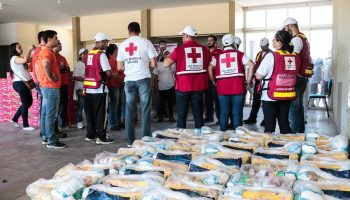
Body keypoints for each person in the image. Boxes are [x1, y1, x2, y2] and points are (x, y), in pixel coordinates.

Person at [163, 25, 211, 131]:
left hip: (183, 87)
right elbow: (207, 64)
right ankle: (200, 138)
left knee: (182, 115)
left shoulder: (179, 50)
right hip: (198, 87)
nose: (182, 38)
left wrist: (168, 57)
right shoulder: (204, 50)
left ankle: (181, 138)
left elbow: (165, 64)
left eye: (183, 35)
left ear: (187, 36)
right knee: (198, 115)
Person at [117, 22, 157, 146]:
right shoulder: (146, 42)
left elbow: (119, 67)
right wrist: (145, 65)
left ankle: (130, 142)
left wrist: (129, 67)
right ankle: (145, 139)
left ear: (128, 31)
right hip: (143, 78)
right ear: (139, 31)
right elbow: (154, 64)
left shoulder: (123, 45)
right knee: (145, 109)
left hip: (129, 81)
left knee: (129, 110)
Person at [255, 30, 301, 134]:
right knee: (284, 124)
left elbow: (258, 76)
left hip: (271, 95)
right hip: (288, 94)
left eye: (274, 39)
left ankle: (269, 148)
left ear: (279, 42)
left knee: (269, 126)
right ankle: (288, 147)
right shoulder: (295, 56)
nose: (272, 41)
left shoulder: (272, 56)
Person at [208, 34, 255, 131]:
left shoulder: (217, 55)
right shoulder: (240, 54)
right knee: (237, 112)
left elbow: (210, 68)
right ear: (233, 43)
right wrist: (248, 80)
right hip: (238, 88)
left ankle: (223, 135)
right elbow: (251, 65)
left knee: (224, 112)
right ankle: (237, 137)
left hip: (222, 88)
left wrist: (213, 81)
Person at [282, 17, 313, 133]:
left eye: (285, 29)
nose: (285, 32)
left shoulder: (296, 40)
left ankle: (295, 134)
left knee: (294, 108)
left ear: (290, 26)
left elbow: (293, 60)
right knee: (299, 107)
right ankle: (299, 132)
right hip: (303, 78)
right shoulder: (303, 37)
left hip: (297, 78)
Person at [36, 30, 66, 148]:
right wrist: (51, 77)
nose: (57, 40)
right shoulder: (48, 52)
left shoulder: (41, 52)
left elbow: (37, 69)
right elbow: (45, 64)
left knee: (45, 113)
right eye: (55, 38)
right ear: (49, 39)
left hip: (45, 86)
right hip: (51, 87)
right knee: (51, 115)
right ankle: (52, 140)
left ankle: (46, 136)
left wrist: (41, 80)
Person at [83, 32, 114, 145]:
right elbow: (108, 73)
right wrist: (112, 76)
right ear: (100, 42)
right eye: (106, 42)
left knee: (90, 114)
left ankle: (90, 135)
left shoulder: (88, 55)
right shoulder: (101, 55)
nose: (107, 44)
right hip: (100, 88)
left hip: (88, 88)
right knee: (102, 113)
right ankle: (101, 137)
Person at [243, 37, 271, 125]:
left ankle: (266, 120)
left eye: (264, 46)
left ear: (268, 45)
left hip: (267, 81)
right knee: (256, 100)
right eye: (261, 46)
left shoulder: (272, 54)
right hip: (258, 80)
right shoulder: (259, 54)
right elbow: (255, 67)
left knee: (266, 102)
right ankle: (252, 118)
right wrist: (251, 79)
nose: (263, 48)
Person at [9, 42, 35, 130]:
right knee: (25, 103)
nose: (21, 48)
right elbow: (25, 60)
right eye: (19, 47)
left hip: (24, 83)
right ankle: (25, 125)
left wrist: (34, 51)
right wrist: (29, 49)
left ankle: (14, 119)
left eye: (21, 47)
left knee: (28, 102)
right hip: (19, 83)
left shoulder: (19, 58)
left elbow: (29, 59)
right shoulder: (14, 58)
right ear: (14, 50)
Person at [106, 44, 125, 131]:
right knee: (114, 105)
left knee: (119, 104)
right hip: (114, 85)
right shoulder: (110, 61)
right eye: (117, 49)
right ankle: (113, 124)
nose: (118, 51)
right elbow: (114, 75)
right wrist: (122, 81)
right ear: (113, 51)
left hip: (120, 85)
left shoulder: (116, 60)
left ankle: (118, 121)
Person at [153, 51, 176, 122]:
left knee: (170, 103)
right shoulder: (158, 64)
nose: (167, 56)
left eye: (169, 55)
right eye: (165, 55)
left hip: (171, 86)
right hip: (161, 86)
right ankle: (160, 117)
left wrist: (175, 84)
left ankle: (171, 117)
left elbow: (175, 74)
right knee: (161, 103)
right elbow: (155, 76)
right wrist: (156, 85)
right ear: (163, 56)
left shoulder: (173, 64)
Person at [54, 40, 70, 134]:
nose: (60, 46)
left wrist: (63, 69)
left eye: (61, 44)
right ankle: (58, 125)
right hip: (57, 85)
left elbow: (67, 68)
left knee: (64, 104)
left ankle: (63, 123)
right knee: (58, 105)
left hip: (64, 83)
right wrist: (61, 69)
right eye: (59, 44)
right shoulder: (53, 56)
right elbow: (56, 70)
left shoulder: (62, 57)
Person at [204, 35, 221, 124]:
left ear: (215, 42)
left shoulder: (220, 52)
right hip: (206, 80)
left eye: (211, 40)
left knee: (217, 100)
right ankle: (209, 116)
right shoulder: (205, 52)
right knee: (208, 100)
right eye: (208, 40)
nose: (209, 42)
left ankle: (220, 118)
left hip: (216, 80)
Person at [73, 48, 88, 129]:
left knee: (87, 107)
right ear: (81, 55)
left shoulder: (88, 64)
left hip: (88, 88)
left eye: (87, 53)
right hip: (80, 88)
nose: (86, 54)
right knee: (81, 106)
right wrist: (86, 79)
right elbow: (75, 77)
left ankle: (86, 122)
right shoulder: (78, 64)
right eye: (85, 53)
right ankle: (79, 122)